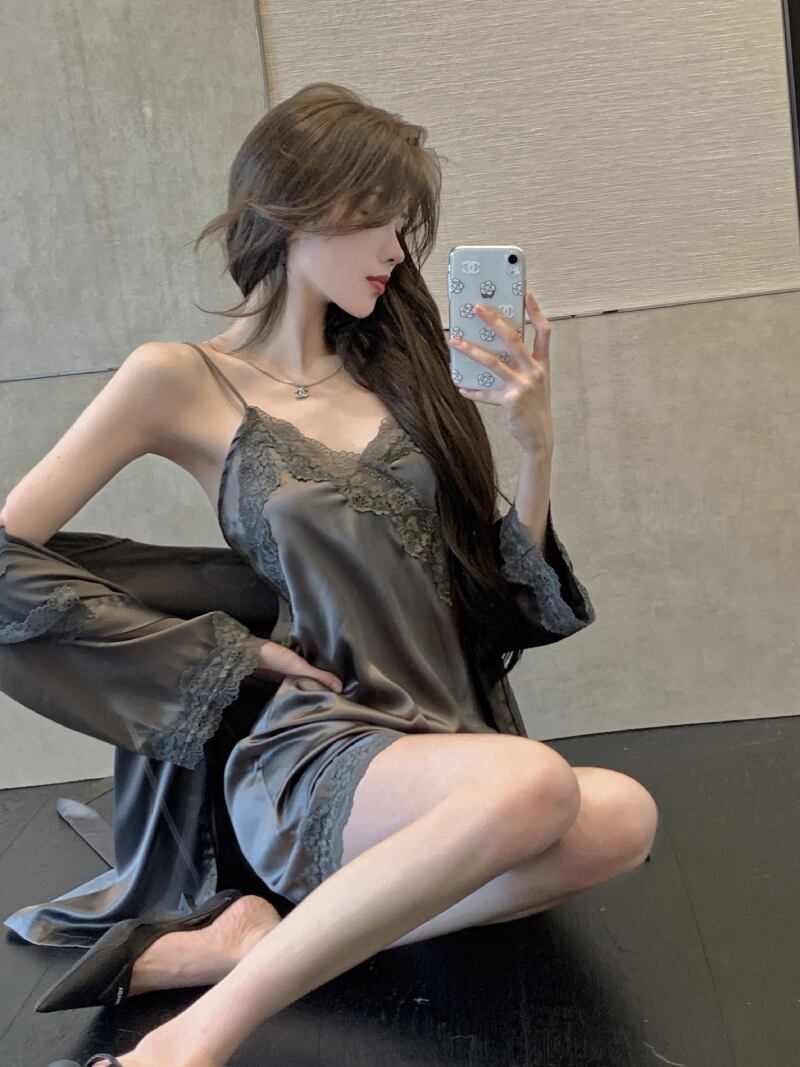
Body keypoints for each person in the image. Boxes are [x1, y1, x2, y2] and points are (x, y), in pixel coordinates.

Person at [1, 82, 654, 1067]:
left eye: (404, 226)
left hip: (447, 740)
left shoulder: (403, 369)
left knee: (622, 817)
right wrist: (231, 653)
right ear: (297, 208)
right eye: (379, 219)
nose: (398, 249)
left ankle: (255, 943)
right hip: (319, 748)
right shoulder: (178, 379)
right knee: (534, 784)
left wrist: (536, 447)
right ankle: (192, 1037)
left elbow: (490, 600)